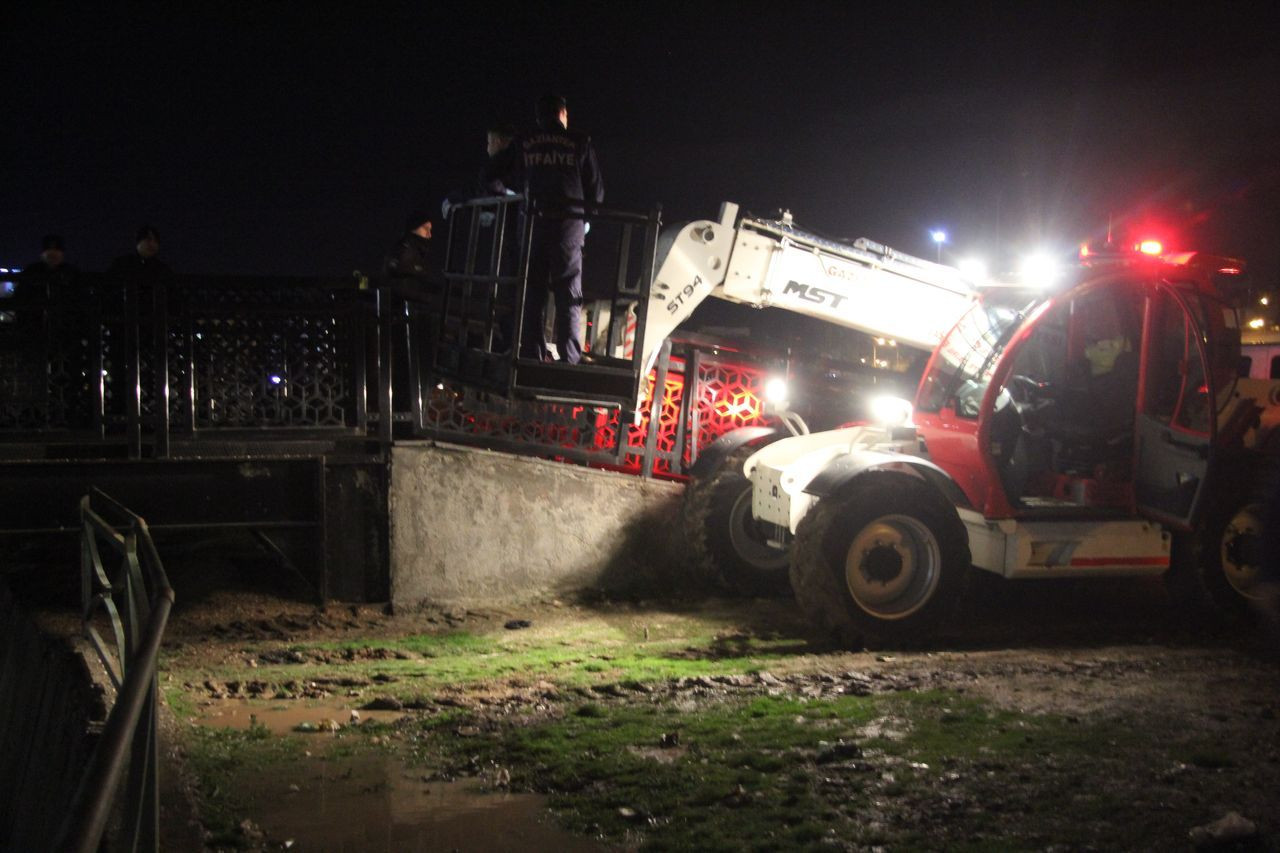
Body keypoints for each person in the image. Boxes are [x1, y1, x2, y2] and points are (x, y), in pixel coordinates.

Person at [486, 94, 604, 363]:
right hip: (567, 228)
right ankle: (570, 357)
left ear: (539, 117)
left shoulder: (525, 142)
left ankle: (532, 352)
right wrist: (587, 220)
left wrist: (506, 192)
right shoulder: (579, 141)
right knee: (568, 294)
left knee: (532, 293)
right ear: (562, 114)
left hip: (532, 228)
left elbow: (490, 174)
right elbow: (596, 189)